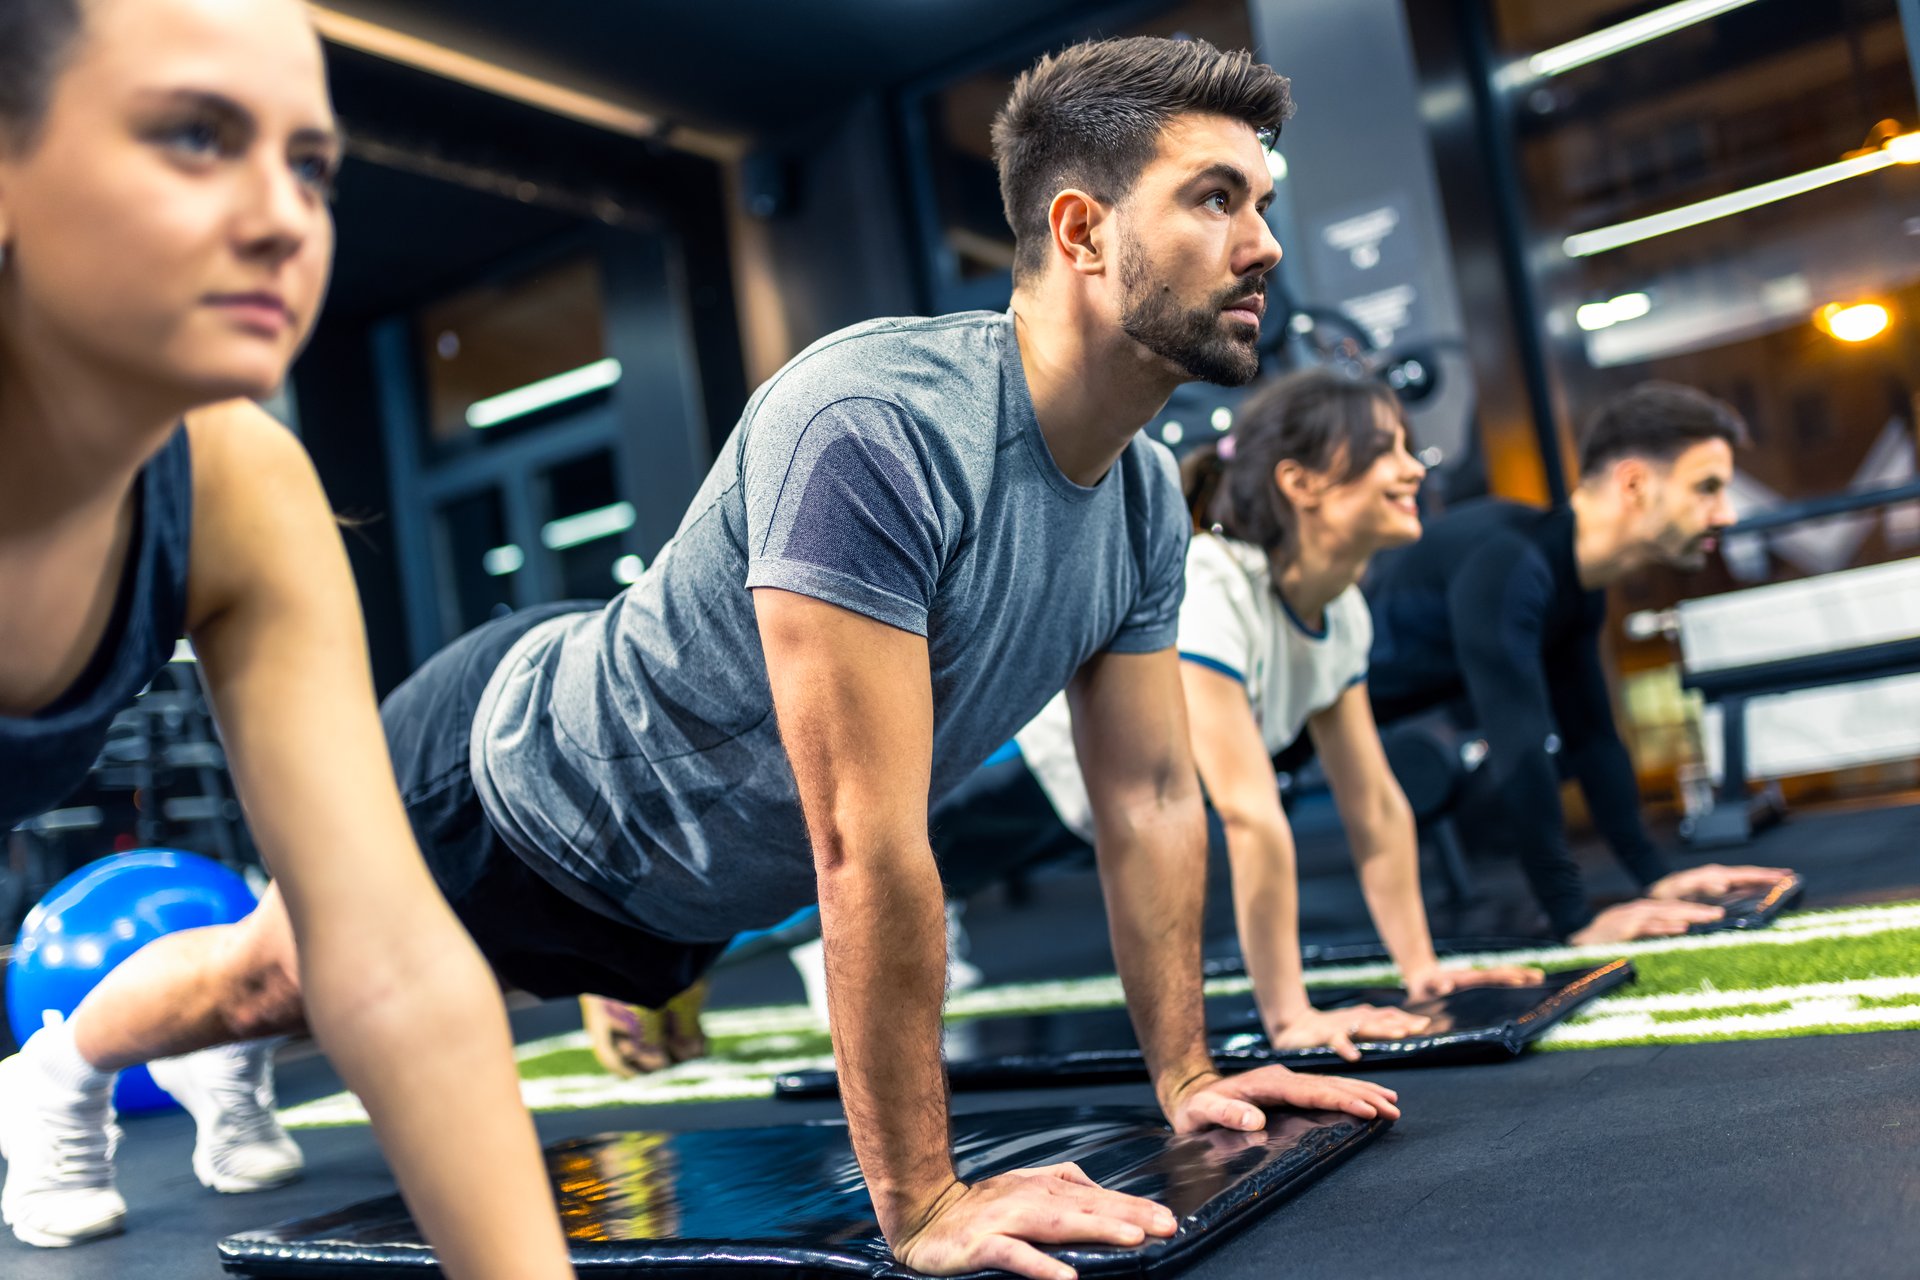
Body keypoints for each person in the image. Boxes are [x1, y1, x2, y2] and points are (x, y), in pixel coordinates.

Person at [15, 35, 1401, 1279]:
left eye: (1262, 202)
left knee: (346, 1002)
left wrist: (1188, 1079)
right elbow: (863, 839)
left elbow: (1148, 798)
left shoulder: (1144, 501)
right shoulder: (881, 423)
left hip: (670, 893)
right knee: (265, 979)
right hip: (515, 781)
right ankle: (57, 1071)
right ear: (1082, 230)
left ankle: (228, 1072)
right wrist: (922, 1201)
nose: (1264, 243)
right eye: (1216, 198)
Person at [0, 1, 572, 1272]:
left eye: (310, 164)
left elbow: (387, 959)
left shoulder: (238, 483)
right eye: (196, 136)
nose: (283, 217)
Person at [961, 368, 1540, 1064]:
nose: (1413, 468)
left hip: (1099, 808)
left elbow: (1374, 804)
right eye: (1384, 450)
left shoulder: (1342, 614)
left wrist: (1422, 969)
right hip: (1019, 769)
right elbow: (1248, 814)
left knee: (935, 884)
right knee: (860, 884)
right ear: (1300, 482)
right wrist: (1289, 1019)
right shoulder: (1214, 583)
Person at [1365, 382, 1796, 944]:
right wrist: (1576, 921)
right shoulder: (1510, 562)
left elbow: (1593, 737)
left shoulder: (1573, 583)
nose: (1727, 514)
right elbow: (1521, 751)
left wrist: (1655, 878)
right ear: (1634, 484)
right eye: (1707, 489)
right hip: (1288, 709)